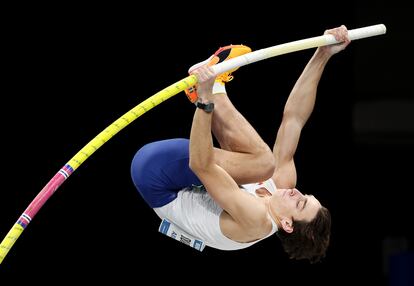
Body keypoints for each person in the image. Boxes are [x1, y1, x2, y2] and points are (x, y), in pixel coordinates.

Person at [131, 26, 351, 263]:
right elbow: (294, 119)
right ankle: (213, 88)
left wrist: (204, 103)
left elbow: (201, 165)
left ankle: (210, 91)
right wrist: (323, 54)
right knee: (263, 165)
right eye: (305, 194)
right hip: (182, 170)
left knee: (264, 164)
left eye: (299, 203)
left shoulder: (256, 221)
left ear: (287, 224)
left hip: (157, 177)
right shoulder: (282, 187)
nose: (296, 192)